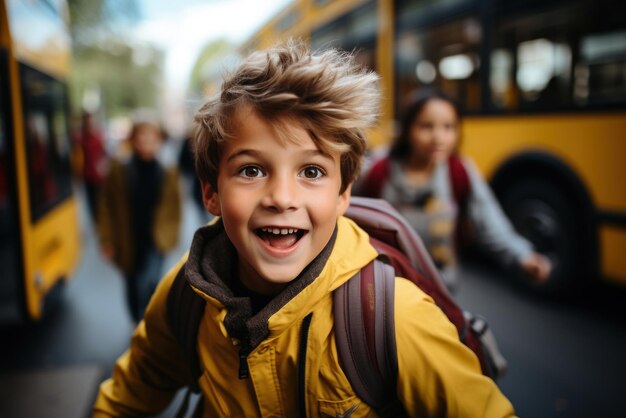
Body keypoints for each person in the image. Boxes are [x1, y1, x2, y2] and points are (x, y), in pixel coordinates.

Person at [92, 41, 515, 417]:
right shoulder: (185, 296)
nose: (281, 196)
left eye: (311, 171)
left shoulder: (392, 318)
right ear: (211, 193)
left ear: (343, 194)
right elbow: (128, 396)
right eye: (251, 170)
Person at [355, 90, 552, 291]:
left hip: (440, 290)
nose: (438, 137)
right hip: (384, 289)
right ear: (407, 129)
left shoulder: (460, 171)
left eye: (448, 127)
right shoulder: (377, 169)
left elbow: (489, 221)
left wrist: (523, 255)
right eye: (426, 126)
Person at [97, 117, 182, 323]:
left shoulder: (167, 172)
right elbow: (106, 205)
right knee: (133, 285)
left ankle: (147, 326)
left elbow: (175, 207)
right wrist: (106, 239)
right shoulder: (119, 169)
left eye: (151, 136)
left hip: (155, 240)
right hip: (128, 239)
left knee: (151, 284)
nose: (146, 140)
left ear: (158, 140)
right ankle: (138, 321)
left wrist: (171, 236)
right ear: (133, 139)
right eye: (141, 135)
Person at [76, 111, 108, 222]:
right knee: (92, 204)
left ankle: (101, 221)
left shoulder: (99, 138)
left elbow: (104, 156)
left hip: (99, 177)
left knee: (101, 203)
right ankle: (97, 222)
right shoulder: (80, 139)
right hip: (87, 177)